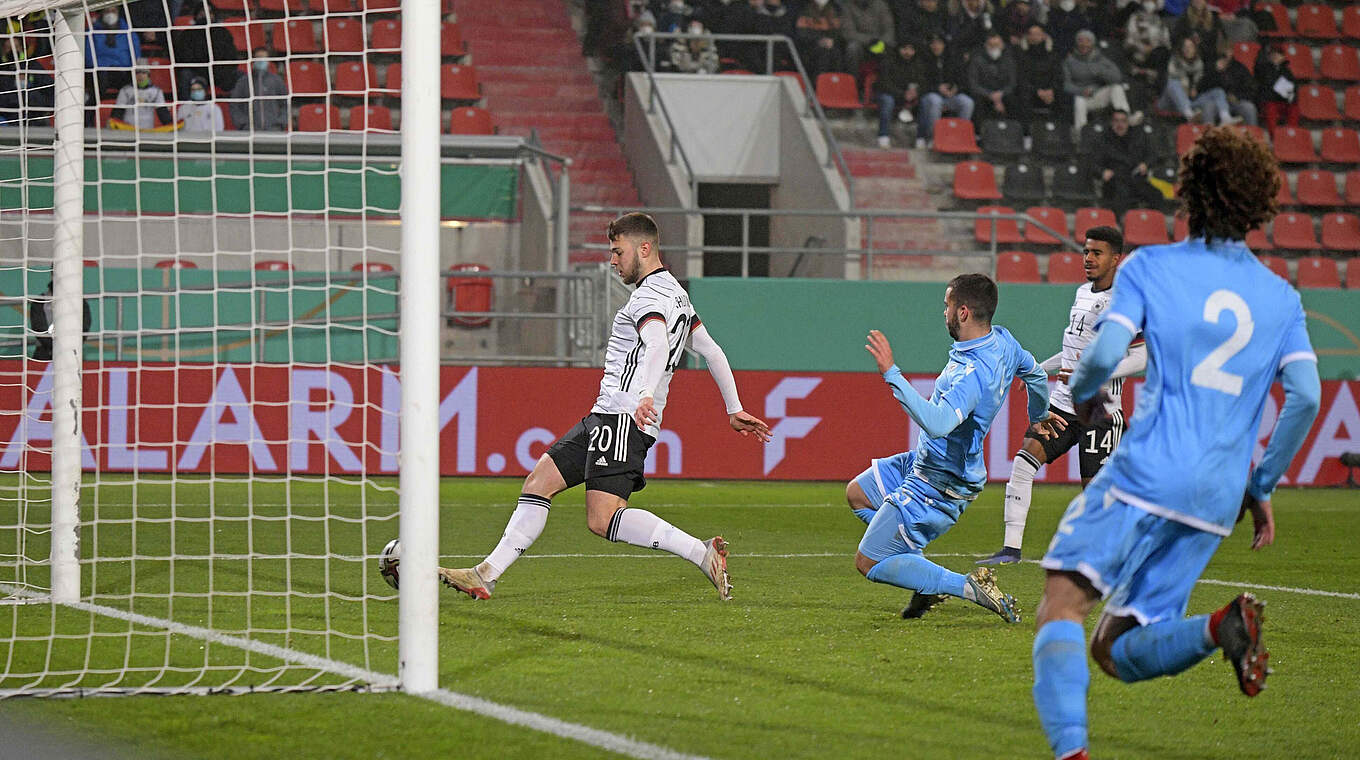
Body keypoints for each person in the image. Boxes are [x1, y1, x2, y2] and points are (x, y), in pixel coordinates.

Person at [1030, 126, 1321, 760]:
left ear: (1190, 193)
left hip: (1147, 471)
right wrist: (1260, 484)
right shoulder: (1282, 298)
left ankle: (1071, 753)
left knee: (1062, 604)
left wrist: (1079, 393)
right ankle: (1221, 626)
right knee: (1116, 649)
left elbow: (1103, 354)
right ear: (1258, 204)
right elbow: (1305, 396)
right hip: (1215, 496)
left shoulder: (1151, 268)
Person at [438, 213, 772, 601]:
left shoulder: (647, 298)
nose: (613, 261)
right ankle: (485, 574)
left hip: (622, 419)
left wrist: (645, 394)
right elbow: (711, 351)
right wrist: (733, 407)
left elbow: (657, 343)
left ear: (644, 248)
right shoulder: (676, 294)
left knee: (603, 518)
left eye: (618, 252)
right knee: (539, 483)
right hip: (608, 416)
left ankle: (701, 553)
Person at [847, 273, 1063, 623]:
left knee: (868, 561)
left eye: (947, 305)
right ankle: (920, 576)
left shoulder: (972, 374)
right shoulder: (1003, 341)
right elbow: (1036, 374)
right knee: (858, 494)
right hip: (925, 463)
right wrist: (1038, 415)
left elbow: (937, 423)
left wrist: (892, 373)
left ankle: (963, 586)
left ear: (963, 312)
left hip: (940, 482)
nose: (943, 312)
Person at [977, 225, 1147, 565]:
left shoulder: (1127, 303)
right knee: (1024, 462)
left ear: (1116, 258)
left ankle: (1121, 552)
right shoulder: (1082, 293)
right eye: (1086, 251)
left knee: (1095, 491)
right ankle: (1011, 550)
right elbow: (1073, 351)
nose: (1088, 258)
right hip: (1063, 404)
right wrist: (1040, 369)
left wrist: (1096, 372)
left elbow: (1142, 357)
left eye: (1097, 253)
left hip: (1100, 409)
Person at [1093, 109, 1164, 215]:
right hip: (1114, 179)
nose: (1120, 124)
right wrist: (1103, 172)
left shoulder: (1138, 137)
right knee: (1121, 194)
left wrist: (1146, 164)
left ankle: (1150, 222)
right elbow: (1094, 163)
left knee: (1156, 195)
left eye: (1123, 121)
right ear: (1112, 123)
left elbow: (1153, 155)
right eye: (1116, 121)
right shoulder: (1103, 139)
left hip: (1135, 177)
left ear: (1128, 123)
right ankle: (1119, 223)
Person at [1063, 29, 1131, 130]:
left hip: (1098, 94)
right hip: (1082, 97)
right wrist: (1081, 91)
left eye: (1088, 41)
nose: (1084, 44)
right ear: (1076, 43)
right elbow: (1065, 84)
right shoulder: (1069, 61)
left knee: (1117, 88)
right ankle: (1081, 131)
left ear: (1093, 43)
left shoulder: (1101, 59)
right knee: (1079, 99)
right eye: (1081, 40)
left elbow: (1117, 77)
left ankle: (1126, 120)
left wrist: (1101, 72)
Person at [1158, 36, 1234, 125]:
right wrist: (1184, 88)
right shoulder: (1173, 62)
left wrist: (1196, 88)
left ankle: (1225, 118)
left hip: (1190, 103)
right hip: (1170, 102)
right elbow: (1161, 84)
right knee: (1173, 83)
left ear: (1195, 49)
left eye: (1190, 46)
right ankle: (1190, 116)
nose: (1187, 49)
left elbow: (1204, 84)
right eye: (1185, 47)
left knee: (1218, 91)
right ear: (1181, 50)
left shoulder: (1199, 64)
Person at [171, 0, 241, 95]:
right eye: (202, 12)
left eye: (209, 12)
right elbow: (183, 59)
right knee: (185, 74)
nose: (206, 15)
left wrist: (220, 69)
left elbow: (232, 56)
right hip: (197, 73)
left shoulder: (223, 33)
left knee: (241, 76)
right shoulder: (187, 34)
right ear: (197, 15)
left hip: (220, 73)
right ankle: (186, 103)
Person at [918, 33, 974, 148]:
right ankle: (933, 138)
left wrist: (955, 89)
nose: (936, 46)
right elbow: (921, 84)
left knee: (967, 102)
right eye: (933, 44)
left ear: (944, 45)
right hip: (929, 95)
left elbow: (962, 80)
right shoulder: (923, 60)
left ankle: (960, 137)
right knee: (935, 101)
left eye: (939, 43)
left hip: (950, 96)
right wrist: (937, 88)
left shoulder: (952, 59)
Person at [874, 38, 930, 147]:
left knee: (925, 101)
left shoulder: (918, 64)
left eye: (911, 49)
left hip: (909, 96)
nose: (907, 52)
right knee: (887, 101)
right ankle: (883, 136)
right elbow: (884, 83)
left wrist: (916, 92)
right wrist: (902, 94)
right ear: (899, 49)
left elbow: (923, 83)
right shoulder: (888, 61)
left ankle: (921, 138)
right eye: (904, 49)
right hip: (889, 93)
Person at [84, 6, 141, 98]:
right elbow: (88, 56)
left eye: (113, 11)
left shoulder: (129, 32)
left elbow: (135, 55)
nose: (110, 14)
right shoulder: (91, 32)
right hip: (99, 71)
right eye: (107, 11)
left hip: (123, 70)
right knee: (98, 81)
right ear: (102, 13)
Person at [229, 47, 288, 132]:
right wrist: (243, 124)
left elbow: (286, 104)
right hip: (249, 131)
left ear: (268, 61)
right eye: (258, 57)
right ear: (253, 60)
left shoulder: (276, 81)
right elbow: (234, 105)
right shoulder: (243, 82)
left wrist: (280, 124)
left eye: (264, 58)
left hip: (274, 131)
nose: (261, 60)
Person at [1015, 24, 1062, 123]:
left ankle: (1059, 128)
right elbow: (1021, 78)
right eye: (1031, 34)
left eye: (1037, 34)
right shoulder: (1021, 55)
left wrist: (1051, 90)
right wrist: (1037, 91)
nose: (1034, 37)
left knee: (1064, 96)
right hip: (1031, 91)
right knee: (1022, 96)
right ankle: (1027, 130)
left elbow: (1058, 75)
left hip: (1050, 90)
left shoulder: (1053, 55)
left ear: (1044, 36)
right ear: (1027, 37)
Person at [967, 31, 1017, 122]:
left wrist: (1000, 94)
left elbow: (1012, 82)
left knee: (1014, 98)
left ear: (1002, 45)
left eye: (997, 45)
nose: (994, 48)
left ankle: (1014, 127)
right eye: (991, 45)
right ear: (986, 46)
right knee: (977, 100)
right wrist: (990, 95)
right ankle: (980, 128)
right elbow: (973, 83)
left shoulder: (1008, 60)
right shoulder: (977, 60)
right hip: (984, 93)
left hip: (1003, 93)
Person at [1201, 48, 1256, 126]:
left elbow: (1251, 89)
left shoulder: (1239, 68)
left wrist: (1237, 96)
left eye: (1228, 51)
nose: (1226, 54)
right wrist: (1216, 72)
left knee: (1249, 108)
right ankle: (1208, 132)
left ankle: (1252, 132)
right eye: (1223, 51)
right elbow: (1202, 87)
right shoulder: (1211, 65)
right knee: (1208, 107)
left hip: (1236, 102)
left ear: (1232, 52)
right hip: (1217, 103)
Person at [795, 0, 846, 80]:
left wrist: (832, 40)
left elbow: (839, 32)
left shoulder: (834, 10)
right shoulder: (804, 10)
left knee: (836, 53)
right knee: (823, 54)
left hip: (831, 47)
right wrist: (819, 40)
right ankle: (818, 84)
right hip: (809, 48)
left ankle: (836, 83)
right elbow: (802, 34)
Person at [841, 0, 895, 76]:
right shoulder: (848, 6)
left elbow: (889, 29)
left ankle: (886, 80)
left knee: (889, 49)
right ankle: (853, 80)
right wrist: (869, 40)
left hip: (880, 42)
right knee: (852, 48)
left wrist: (882, 42)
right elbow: (848, 33)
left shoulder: (881, 4)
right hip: (861, 44)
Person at [114, 59, 172, 129]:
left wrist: (171, 126)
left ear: (148, 75)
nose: (140, 75)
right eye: (137, 73)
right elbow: (117, 113)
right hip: (127, 130)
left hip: (148, 131)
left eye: (144, 73)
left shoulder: (156, 91)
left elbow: (163, 113)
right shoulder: (125, 91)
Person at [1254, 43, 1297, 131]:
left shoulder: (1287, 71)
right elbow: (1265, 87)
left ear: (1283, 57)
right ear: (1269, 56)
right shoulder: (1263, 69)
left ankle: (1291, 133)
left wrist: (1289, 96)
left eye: (1279, 53)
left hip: (1283, 101)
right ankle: (1274, 136)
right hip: (1270, 101)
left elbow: (1293, 89)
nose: (1276, 55)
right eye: (1273, 53)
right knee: (1270, 107)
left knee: (1294, 108)